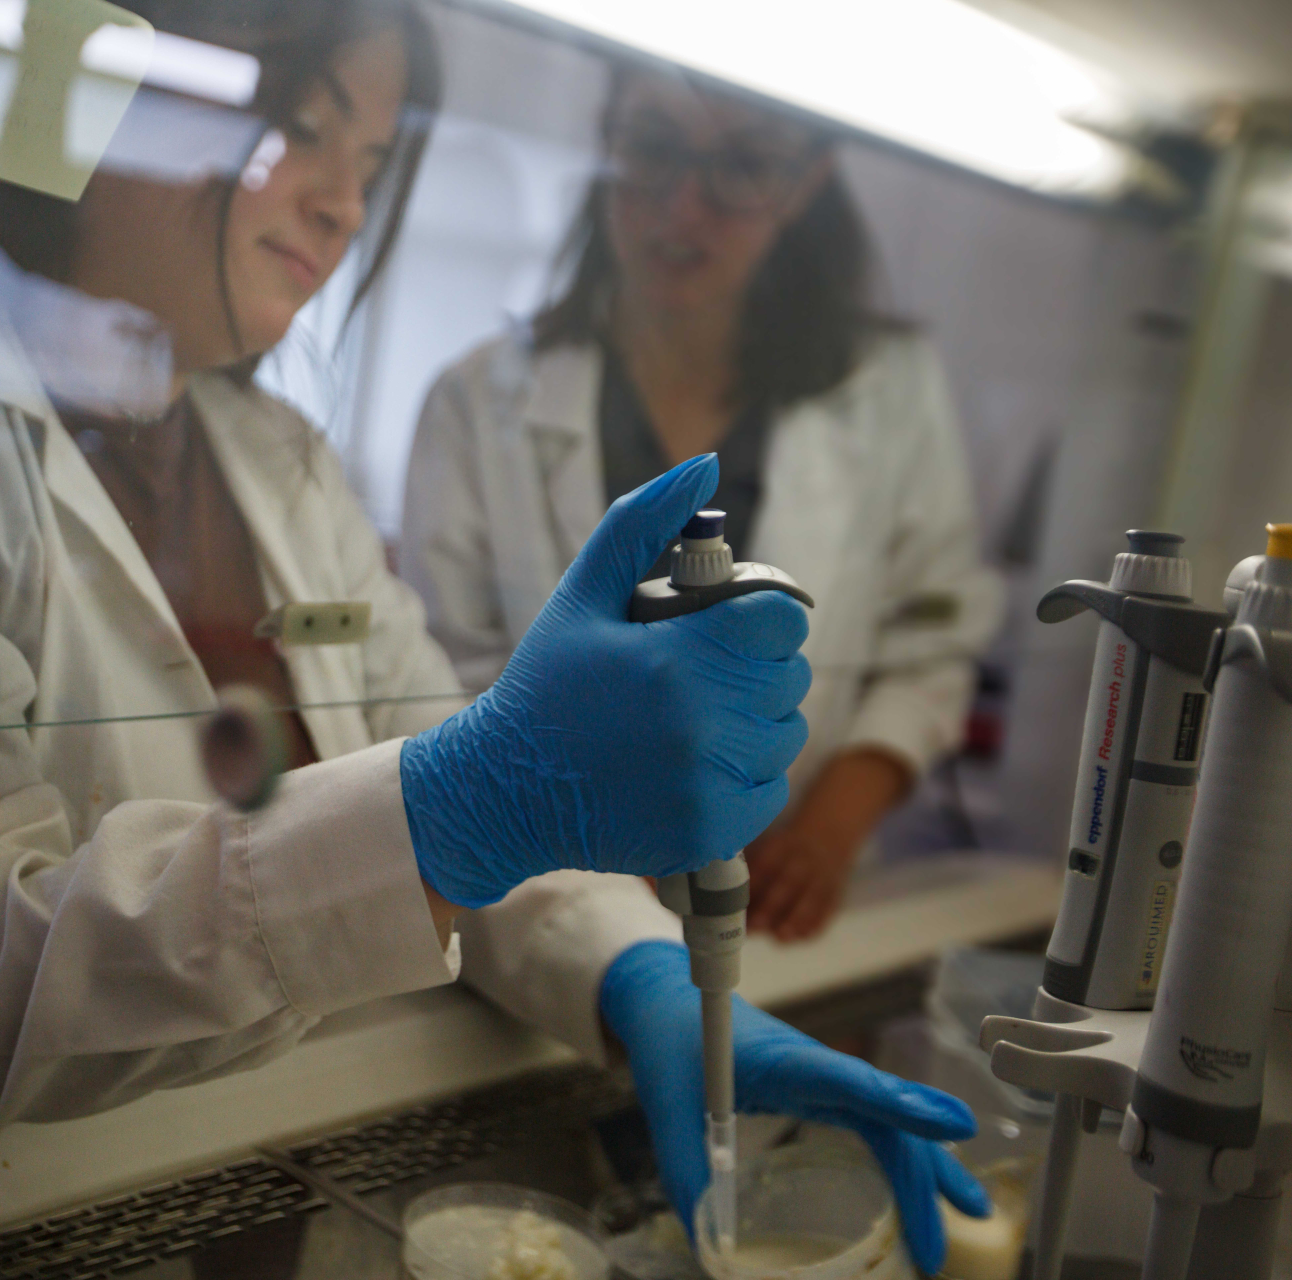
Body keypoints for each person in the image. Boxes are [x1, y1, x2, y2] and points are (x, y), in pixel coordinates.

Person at [0, 2, 986, 1266]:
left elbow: (450, 757)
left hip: (216, 1169)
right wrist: (458, 811)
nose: (344, 204)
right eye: (302, 126)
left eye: (374, 161)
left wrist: (637, 978)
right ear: (111, 99)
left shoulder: (278, 459)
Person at [401, 64, 1002, 944]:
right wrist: (583, 832)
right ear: (607, 144)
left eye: (743, 166)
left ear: (806, 184)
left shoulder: (889, 390)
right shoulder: (476, 399)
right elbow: (438, 675)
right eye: (653, 149)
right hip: (541, 906)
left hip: (785, 916)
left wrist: (827, 833)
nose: (684, 207)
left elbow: (930, 646)